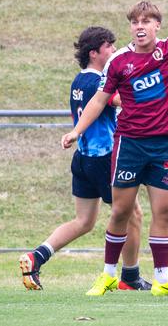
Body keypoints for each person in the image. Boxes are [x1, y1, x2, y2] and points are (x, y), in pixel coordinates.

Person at [61, 0, 168, 297]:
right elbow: (100, 100)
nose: (140, 26)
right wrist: (77, 130)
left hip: (163, 144)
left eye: (147, 21)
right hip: (129, 143)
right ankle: (108, 275)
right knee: (121, 211)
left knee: (165, 210)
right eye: (135, 22)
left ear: (158, 26)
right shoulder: (119, 61)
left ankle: (163, 279)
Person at [19, 26, 150, 291]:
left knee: (84, 221)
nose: (113, 51)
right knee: (133, 213)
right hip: (105, 159)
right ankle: (130, 277)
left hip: (83, 159)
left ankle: (37, 256)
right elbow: (122, 100)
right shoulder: (96, 82)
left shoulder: (79, 81)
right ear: (94, 53)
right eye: (109, 47)